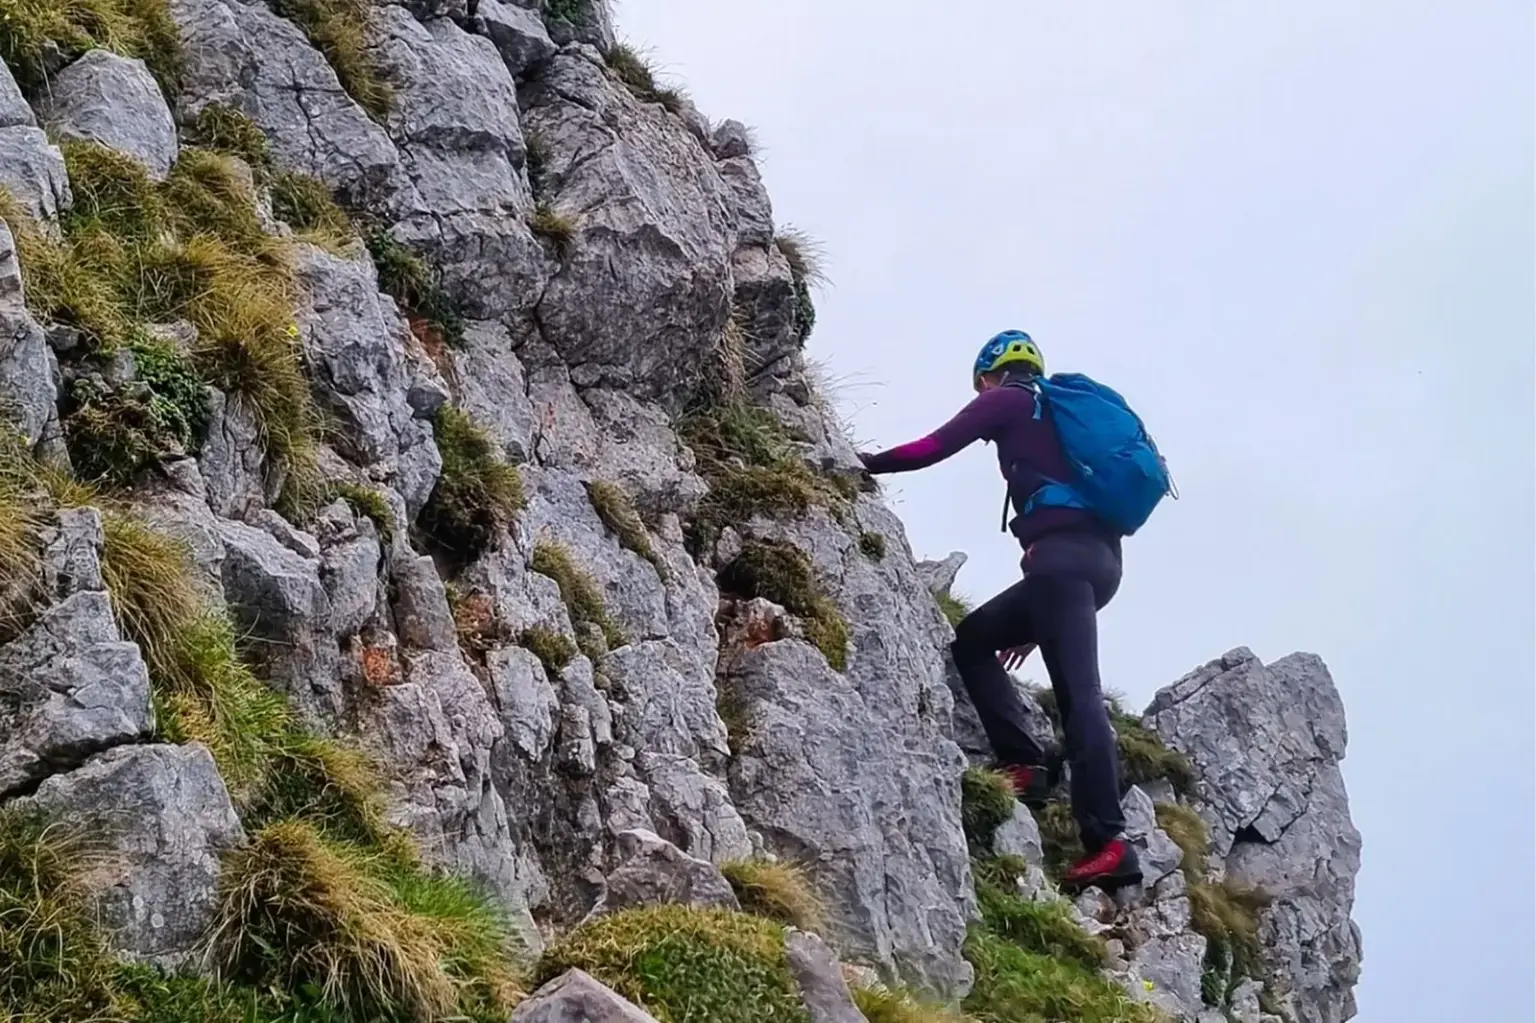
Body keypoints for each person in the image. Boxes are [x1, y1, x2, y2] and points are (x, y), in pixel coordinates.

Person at [857, 330, 1142, 893]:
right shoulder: (1056, 415)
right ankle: (1026, 765)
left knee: (1080, 696)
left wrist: (866, 463)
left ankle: (1109, 841)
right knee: (975, 638)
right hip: (1097, 567)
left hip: (1059, 570)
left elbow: (934, 446)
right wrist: (1036, 624)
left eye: (979, 383)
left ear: (990, 373)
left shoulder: (1009, 398)